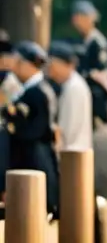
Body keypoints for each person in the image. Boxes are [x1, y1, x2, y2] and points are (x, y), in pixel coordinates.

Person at [2, 41, 60, 219]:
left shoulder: (37, 92)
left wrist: (12, 129)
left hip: (34, 157)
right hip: (32, 155)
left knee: (33, 211)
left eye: (18, 63)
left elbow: (36, 129)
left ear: (28, 64)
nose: (15, 68)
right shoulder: (34, 90)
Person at [70, 0, 107, 125]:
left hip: (97, 88)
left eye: (79, 17)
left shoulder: (97, 42)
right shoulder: (85, 40)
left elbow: (100, 70)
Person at [47, 41, 93, 152]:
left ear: (68, 65)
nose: (50, 70)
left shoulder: (74, 88)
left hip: (73, 151)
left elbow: (68, 129)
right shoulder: (70, 84)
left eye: (52, 65)